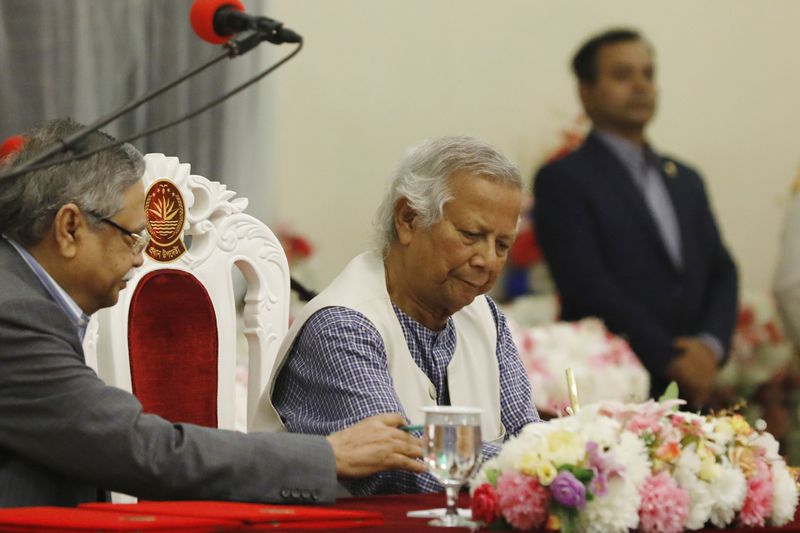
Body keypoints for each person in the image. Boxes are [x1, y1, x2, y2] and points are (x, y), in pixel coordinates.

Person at [0, 118, 424, 508]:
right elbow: (138, 448)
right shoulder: (15, 315)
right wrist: (328, 455)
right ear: (70, 228)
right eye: (132, 237)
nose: (139, 259)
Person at [253, 136, 540, 495]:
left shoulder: (486, 318)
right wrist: (543, 470)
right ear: (408, 219)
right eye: (471, 235)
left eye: (502, 245)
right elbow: (401, 469)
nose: (487, 261)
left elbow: (527, 437)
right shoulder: (343, 326)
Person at [533, 29, 738, 407]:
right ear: (586, 90)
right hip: (613, 386)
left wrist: (710, 347)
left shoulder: (685, 178)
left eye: (648, 74)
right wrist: (671, 357)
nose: (641, 86)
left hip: (696, 382)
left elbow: (722, 269)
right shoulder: (563, 179)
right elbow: (586, 284)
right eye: (623, 75)